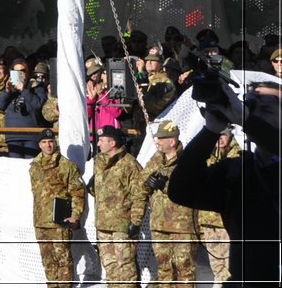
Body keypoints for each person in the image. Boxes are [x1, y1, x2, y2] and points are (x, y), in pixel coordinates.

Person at [167, 72, 281, 287]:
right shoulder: (238, 169)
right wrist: (210, 131)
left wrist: (248, 119)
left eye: (267, 106)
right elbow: (181, 190)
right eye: (251, 104)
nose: (254, 111)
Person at [89, 125, 145, 288]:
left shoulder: (130, 164)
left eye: (101, 140)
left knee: (126, 270)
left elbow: (139, 195)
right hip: (103, 225)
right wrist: (92, 188)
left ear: (112, 143)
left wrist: (135, 221)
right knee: (110, 268)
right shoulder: (99, 161)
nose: (98, 144)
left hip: (122, 226)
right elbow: (103, 190)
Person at [140, 120, 195, 285]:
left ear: (172, 141)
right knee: (164, 269)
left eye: (161, 139)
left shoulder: (188, 160)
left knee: (185, 269)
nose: (157, 142)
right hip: (159, 224)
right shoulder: (156, 159)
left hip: (182, 226)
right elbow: (140, 183)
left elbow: (191, 189)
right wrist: (147, 181)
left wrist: (165, 186)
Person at [28, 129, 85, 288]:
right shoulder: (34, 165)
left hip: (59, 221)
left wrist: (75, 216)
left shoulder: (66, 165)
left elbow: (78, 193)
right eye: (44, 142)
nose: (48, 145)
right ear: (39, 145)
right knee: (48, 260)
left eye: (51, 141)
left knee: (64, 260)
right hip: (40, 222)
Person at [193, 128, 236, 283]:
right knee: (217, 267)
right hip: (208, 221)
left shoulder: (238, 157)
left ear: (231, 135)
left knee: (231, 265)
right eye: (217, 135)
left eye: (223, 134)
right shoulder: (208, 158)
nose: (220, 138)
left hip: (226, 222)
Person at [0, 59, 48, 158]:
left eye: (23, 71)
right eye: (16, 71)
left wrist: (24, 90)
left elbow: (38, 105)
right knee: (15, 167)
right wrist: (7, 91)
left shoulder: (36, 86)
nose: (20, 74)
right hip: (13, 135)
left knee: (30, 166)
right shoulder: (9, 87)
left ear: (27, 71)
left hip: (31, 134)